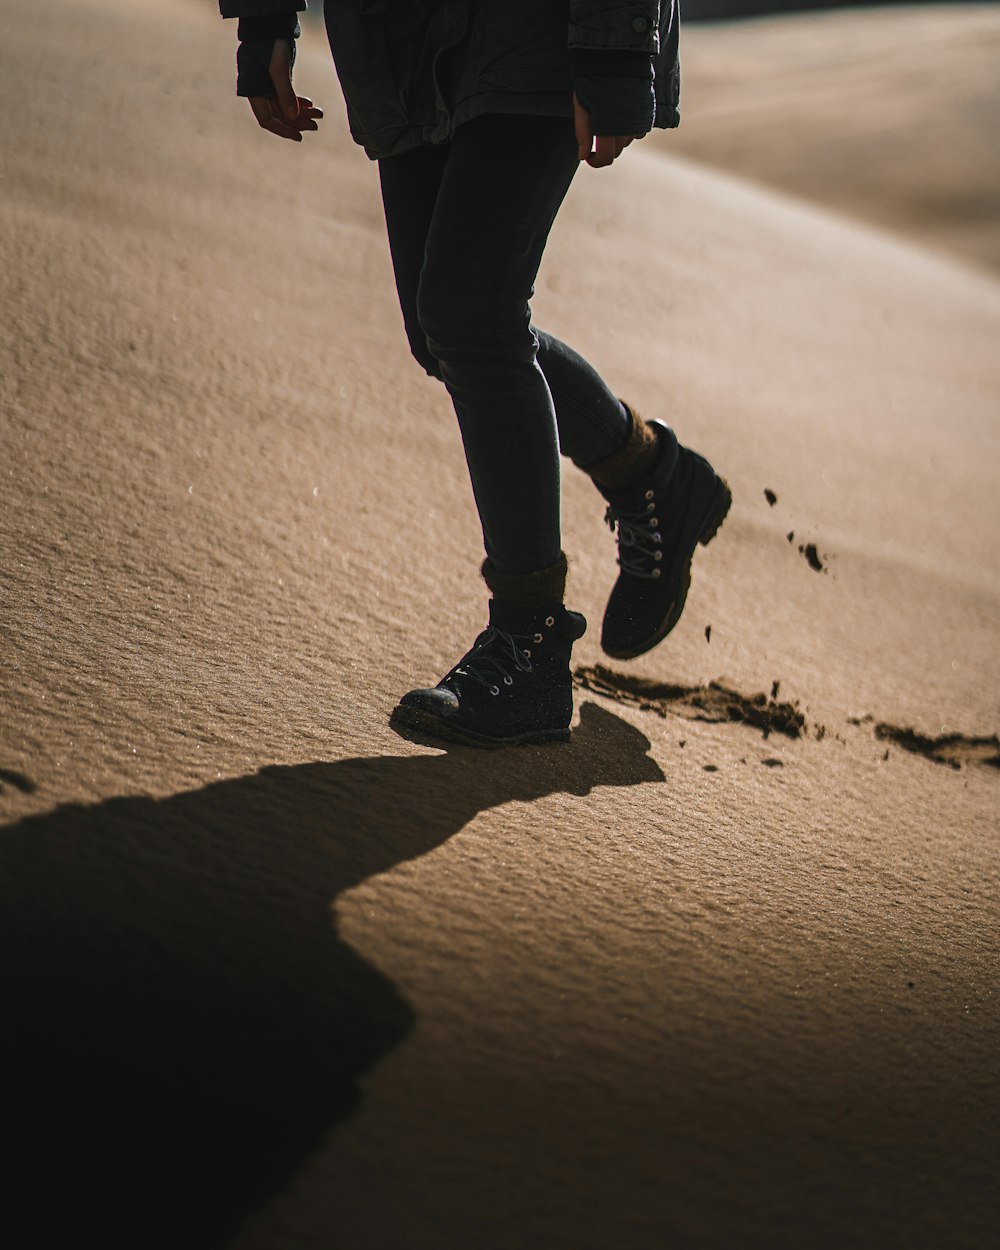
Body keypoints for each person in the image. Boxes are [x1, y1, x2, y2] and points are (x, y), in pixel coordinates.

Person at [219, 1, 730, 749]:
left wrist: (613, 52)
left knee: (471, 316)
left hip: (538, 27)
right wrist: (264, 17)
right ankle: (649, 472)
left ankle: (531, 644)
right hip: (397, 33)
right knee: (446, 336)